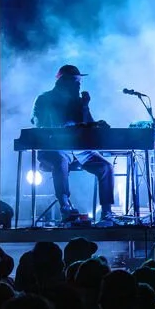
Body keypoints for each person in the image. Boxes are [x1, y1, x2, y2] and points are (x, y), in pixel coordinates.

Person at [32, 64, 116, 224]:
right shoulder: (44, 99)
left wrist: (87, 110)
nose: (79, 85)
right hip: (53, 148)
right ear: (63, 82)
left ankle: (107, 213)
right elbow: (40, 126)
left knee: (106, 167)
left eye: (79, 82)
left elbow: (88, 124)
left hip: (78, 150)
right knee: (60, 159)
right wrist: (72, 126)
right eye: (75, 82)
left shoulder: (78, 102)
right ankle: (65, 207)